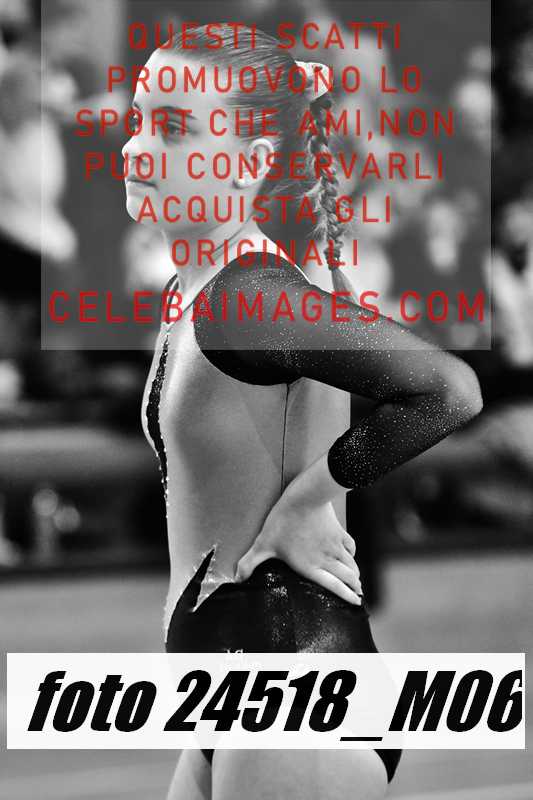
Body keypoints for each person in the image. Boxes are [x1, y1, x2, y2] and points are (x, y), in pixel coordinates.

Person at [121, 24, 483, 800]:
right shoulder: (205, 285)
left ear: (249, 162)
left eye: (174, 128)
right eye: (138, 118)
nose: (136, 148)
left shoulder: (249, 298)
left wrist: (306, 501)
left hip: (287, 678)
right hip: (236, 676)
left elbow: (446, 390)